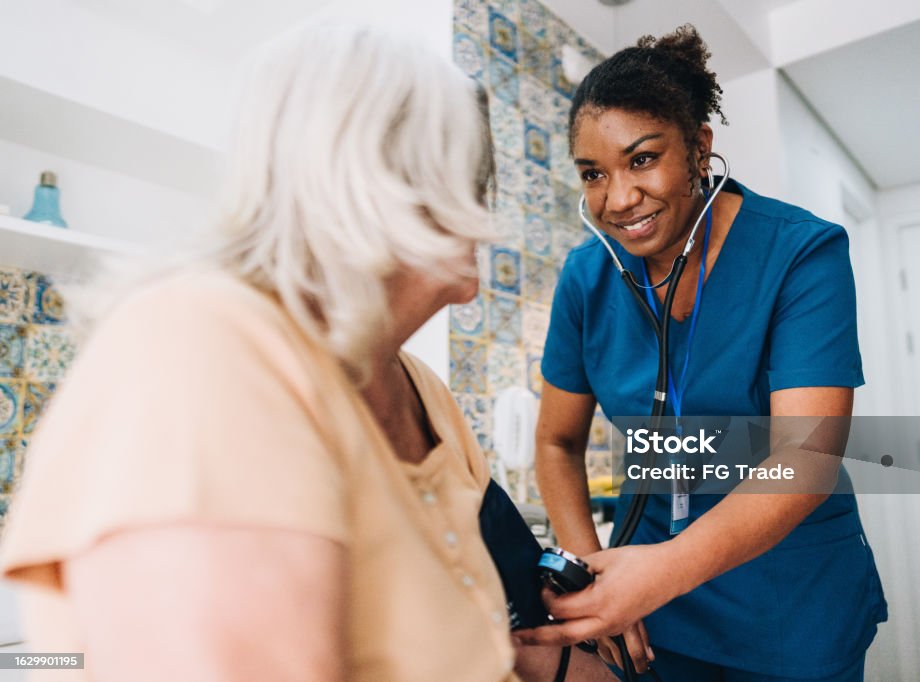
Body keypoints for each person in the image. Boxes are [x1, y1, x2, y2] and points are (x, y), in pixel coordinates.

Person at [0, 22, 614, 682]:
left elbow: (494, 642)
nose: (482, 205)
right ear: (384, 179)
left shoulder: (419, 388)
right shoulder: (203, 346)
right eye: (466, 172)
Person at [516, 25, 888, 682]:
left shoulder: (801, 254)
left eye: (642, 159)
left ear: (698, 148)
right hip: (651, 615)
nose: (618, 198)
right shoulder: (586, 278)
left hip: (789, 605)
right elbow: (556, 444)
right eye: (593, 174)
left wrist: (659, 575)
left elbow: (806, 457)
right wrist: (593, 583)